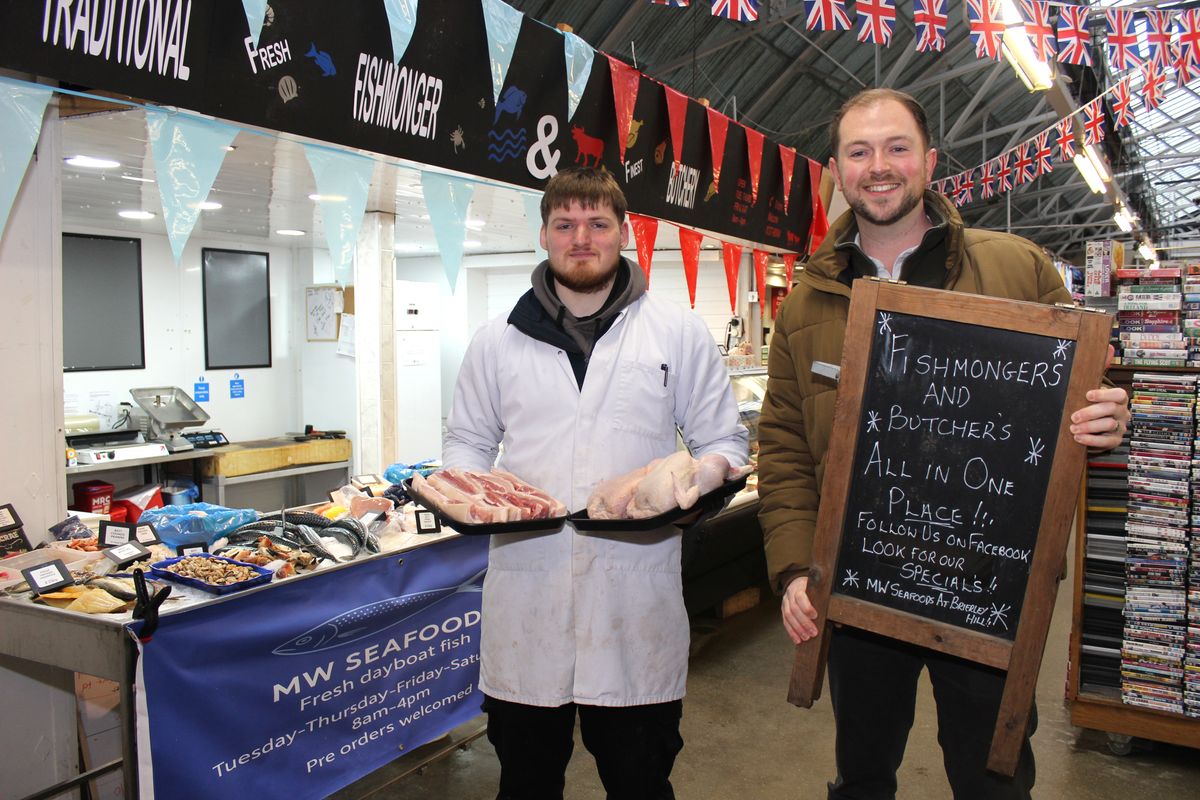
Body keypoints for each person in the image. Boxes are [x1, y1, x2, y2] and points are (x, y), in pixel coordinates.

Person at [756, 88, 1130, 800]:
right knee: (862, 775)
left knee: (993, 779)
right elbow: (781, 444)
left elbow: (1093, 383)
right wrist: (796, 568)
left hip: (989, 584)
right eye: (859, 152)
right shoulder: (807, 298)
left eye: (896, 148)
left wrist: (1115, 413)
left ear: (929, 161)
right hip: (862, 580)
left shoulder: (1018, 270)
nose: (879, 166)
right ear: (836, 169)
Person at [442, 166, 748, 800]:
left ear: (624, 233)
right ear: (545, 237)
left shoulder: (676, 332)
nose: (581, 238)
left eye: (598, 224)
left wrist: (701, 485)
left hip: (634, 607)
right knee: (526, 784)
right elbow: (466, 443)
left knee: (639, 784)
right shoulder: (496, 342)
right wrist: (477, 498)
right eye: (565, 224)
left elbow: (724, 441)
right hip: (529, 598)